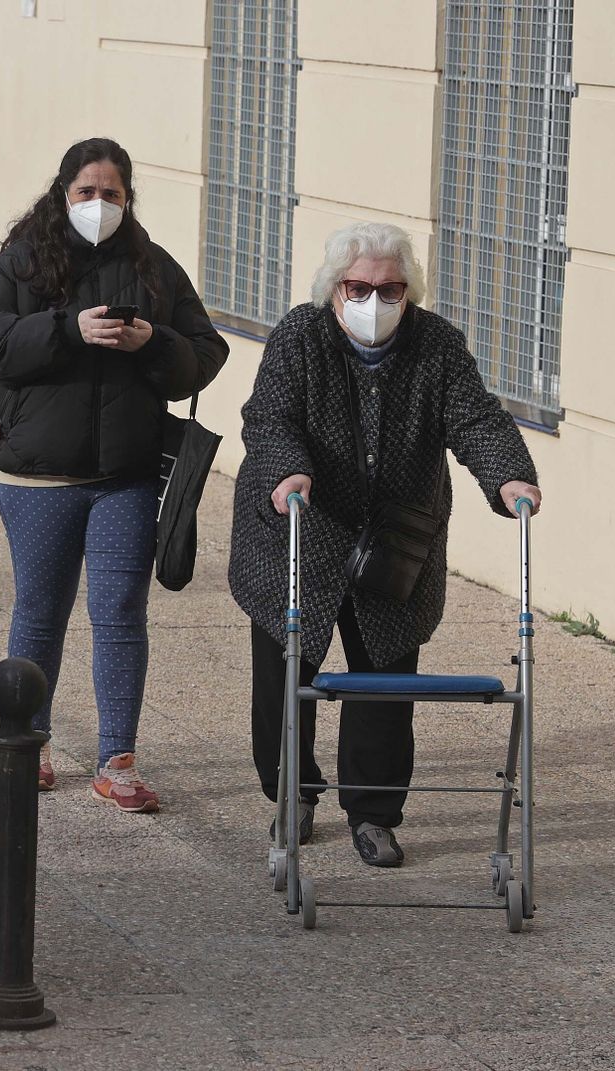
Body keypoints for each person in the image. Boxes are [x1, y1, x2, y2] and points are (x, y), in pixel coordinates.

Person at [228, 221, 544, 868]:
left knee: (384, 681)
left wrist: (508, 473)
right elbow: (269, 415)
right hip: (299, 527)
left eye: (390, 288)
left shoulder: (436, 346)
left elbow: (475, 416)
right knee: (286, 676)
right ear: (334, 289)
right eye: (360, 287)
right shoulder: (300, 335)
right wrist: (287, 469)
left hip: (395, 543)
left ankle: (373, 814)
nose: (375, 301)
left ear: (410, 291)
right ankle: (294, 794)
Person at [0, 136, 228, 812]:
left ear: (128, 198)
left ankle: (119, 758)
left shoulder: (154, 268)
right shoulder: (23, 262)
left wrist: (153, 343)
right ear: (63, 193)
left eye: (112, 193)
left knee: (119, 614)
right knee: (40, 611)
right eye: (87, 192)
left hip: (125, 477)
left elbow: (205, 352)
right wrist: (65, 329)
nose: (99, 204)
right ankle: (31, 741)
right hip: (38, 477)